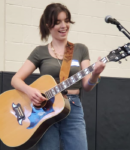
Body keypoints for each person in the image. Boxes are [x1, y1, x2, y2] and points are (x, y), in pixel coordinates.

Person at [11, 3, 105, 150]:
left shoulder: (80, 49)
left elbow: (87, 86)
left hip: (72, 107)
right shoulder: (39, 52)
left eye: (66, 21)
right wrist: (30, 92)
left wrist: (96, 74)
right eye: (58, 22)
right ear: (49, 24)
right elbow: (15, 80)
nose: (64, 26)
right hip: (45, 110)